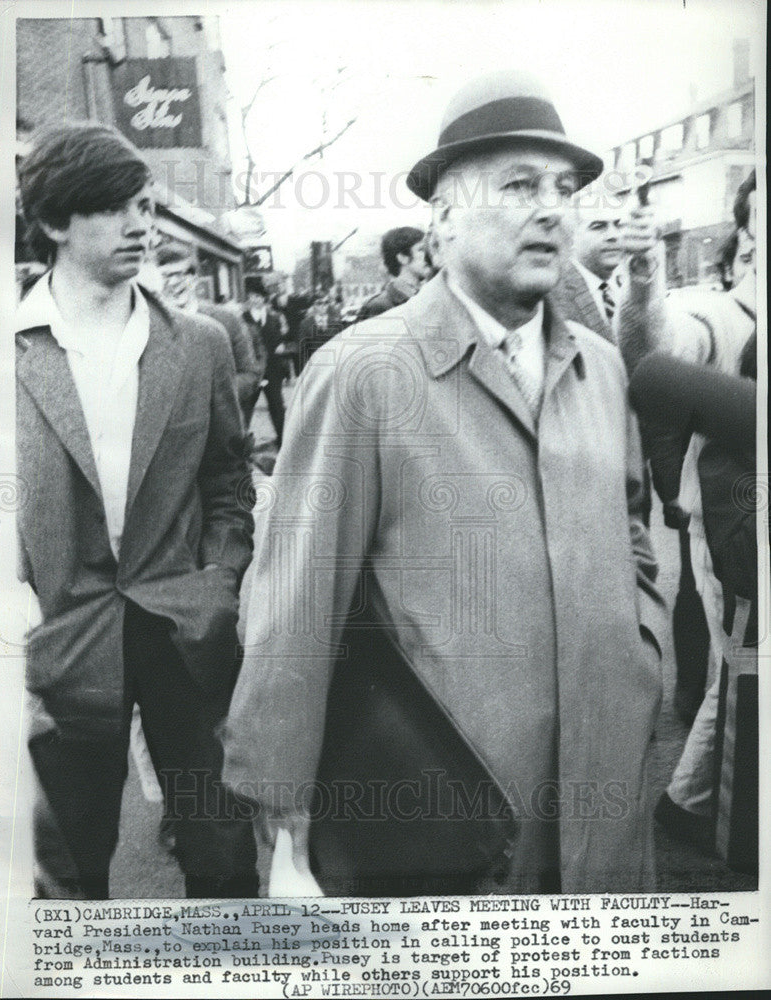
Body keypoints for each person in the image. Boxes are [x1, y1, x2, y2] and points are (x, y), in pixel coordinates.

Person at [223, 71, 666, 896]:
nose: (552, 209)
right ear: (444, 214)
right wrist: (283, 832)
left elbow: (631, 533)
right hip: (447, 822)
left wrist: (640, 656)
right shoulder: (364, 373)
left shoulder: (599, 367)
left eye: (565, 189)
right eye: (519, 184)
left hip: (605, 806)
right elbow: (294, 605)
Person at [16, 122, 259, 899]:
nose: (139, 225)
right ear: (54, 222)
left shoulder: (198, 344)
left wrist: (219, 578)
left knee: (222, 855)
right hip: (58, 636)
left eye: (143, 205)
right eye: (111, 208)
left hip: (185, 629)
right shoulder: (7, 350)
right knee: (65, 868)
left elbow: (228, 477)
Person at [617, 169, 757, 847]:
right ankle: (696, 803)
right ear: (747, 232)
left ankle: (693, 800)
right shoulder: (729, 311)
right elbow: (655, 355)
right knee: (739, 663)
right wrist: (645, 276)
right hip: (736, 526)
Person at [156, 244, 260, 427]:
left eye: (180, 274)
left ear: (195, 278)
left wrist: (209, 395)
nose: (173, 283)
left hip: (217, 430)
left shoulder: (226, 321)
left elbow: (250, 374)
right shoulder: (148, 324)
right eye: (165, 276)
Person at [550, 205, 623, 342]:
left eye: (618, 225)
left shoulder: (630, 286)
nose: (613, 236)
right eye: (598, 226)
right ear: (570, 237)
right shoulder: (555, 294)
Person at [243, 277, 287, 449]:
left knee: (277, 408)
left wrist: (281, 346)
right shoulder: (242, 320)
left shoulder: (274, 318)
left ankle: (284, 443)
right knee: (245, 411)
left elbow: (280, 340)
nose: (255, 300)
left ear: (264, 298)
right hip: (251, 372)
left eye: (259, 296)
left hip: (272, 372)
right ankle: (241, 446)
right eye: (252, 296)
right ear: (248, 299)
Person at [355, 226, 429, 320]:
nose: (428, 255)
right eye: (421, 250)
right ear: (402, 258)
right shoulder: (379, 307)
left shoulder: (425, 298)